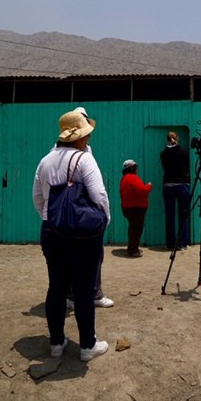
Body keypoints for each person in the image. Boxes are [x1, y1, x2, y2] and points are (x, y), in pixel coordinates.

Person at [32, 110, 110, 362]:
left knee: (56, 287)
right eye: (85, 135)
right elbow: (99, 195)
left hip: (51, 231)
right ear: (76, 137)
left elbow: (37, 198)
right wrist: (104, 221)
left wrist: (52, 219)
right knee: (84, 289)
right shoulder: (84, 159)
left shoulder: (45, 161)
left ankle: (56, 343)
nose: (87, 139)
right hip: (82, 235)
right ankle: (87, 346)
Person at [66, 107, 114, 310]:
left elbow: (39, 192)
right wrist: (105, 215)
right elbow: (98, 192)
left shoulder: (54, 153)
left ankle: (74, 295)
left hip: (67, 214)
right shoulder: (84, 155)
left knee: (71, 257)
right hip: (85, 213)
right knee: (93, 255)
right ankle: (89, 294)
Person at [160, 131, 191, 250]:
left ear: (167, 139)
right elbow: (187, 167)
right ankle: (182, 243)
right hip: (183, 185)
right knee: (183, 215)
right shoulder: (183, 152)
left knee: (170, 216)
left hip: (168, 185)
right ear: (177, 138)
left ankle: (171, 244)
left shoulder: (163, 154)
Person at [119, 159, 153, 257]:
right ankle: (133, 250)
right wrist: (149, 186)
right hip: (136, 208)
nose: (136, 169)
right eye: (135, 167)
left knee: (133, 228)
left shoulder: (124, 178)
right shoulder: (132, 178)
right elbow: (142, 190)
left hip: (127, 207)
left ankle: (132, 248)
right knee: (137, 229)